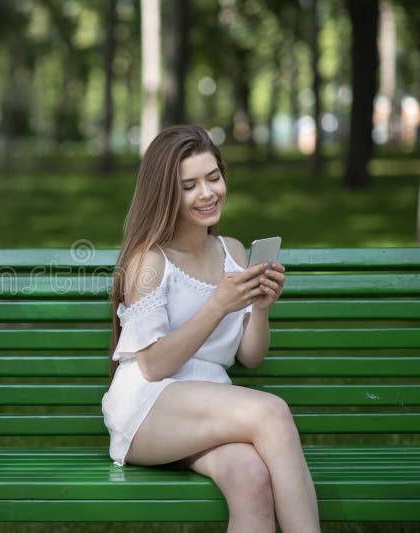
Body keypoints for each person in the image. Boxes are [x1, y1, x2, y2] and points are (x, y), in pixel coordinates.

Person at [102, 125, 320, 532]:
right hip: (149, 409)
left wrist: (259, 306)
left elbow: (249, 356)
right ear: (166, 193)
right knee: (271, 411)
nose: (207, 193)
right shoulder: (150, 262)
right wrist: (218, 304)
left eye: (213, 177)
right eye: (189, 185)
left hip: (209, 407)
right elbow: (151, 367)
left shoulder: (233, 251)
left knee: (252, 478)